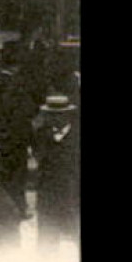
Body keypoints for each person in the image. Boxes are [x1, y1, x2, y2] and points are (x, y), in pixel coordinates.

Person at [32, 94, 79, 249]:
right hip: (48, 195)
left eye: (59, 115)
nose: (54, 119)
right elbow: (39, 158)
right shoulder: (41, 135)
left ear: (67, 115)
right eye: (50, 115)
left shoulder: (76, 137)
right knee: (46, 242)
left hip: (73, 195)